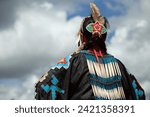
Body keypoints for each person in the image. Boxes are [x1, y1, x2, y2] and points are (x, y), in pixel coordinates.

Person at [35, 3, 145, 100]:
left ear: (82, 37)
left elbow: (43, 87)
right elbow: (139, 94)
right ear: (104, 39)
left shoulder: (73, 62)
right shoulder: (120, 67)